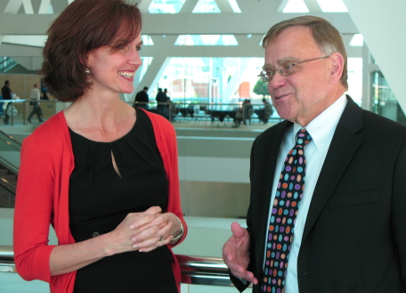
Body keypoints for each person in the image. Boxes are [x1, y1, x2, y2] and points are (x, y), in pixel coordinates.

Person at [222, 15, 406, 293]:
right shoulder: (265, 146)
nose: (274, 82)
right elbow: (273, 240)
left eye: (288, 66)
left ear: (334, 66)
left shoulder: (393, 145)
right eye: (269, 72)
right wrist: (245, 257)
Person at [13, 1, 187, 293]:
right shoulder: (43, 145)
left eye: (138, 48)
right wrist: (113, 242)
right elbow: (28, 261)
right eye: (122, 48)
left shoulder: (160, 130)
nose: (137, 59)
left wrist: (174, 227)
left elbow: (177, 221)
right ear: (84, 55)